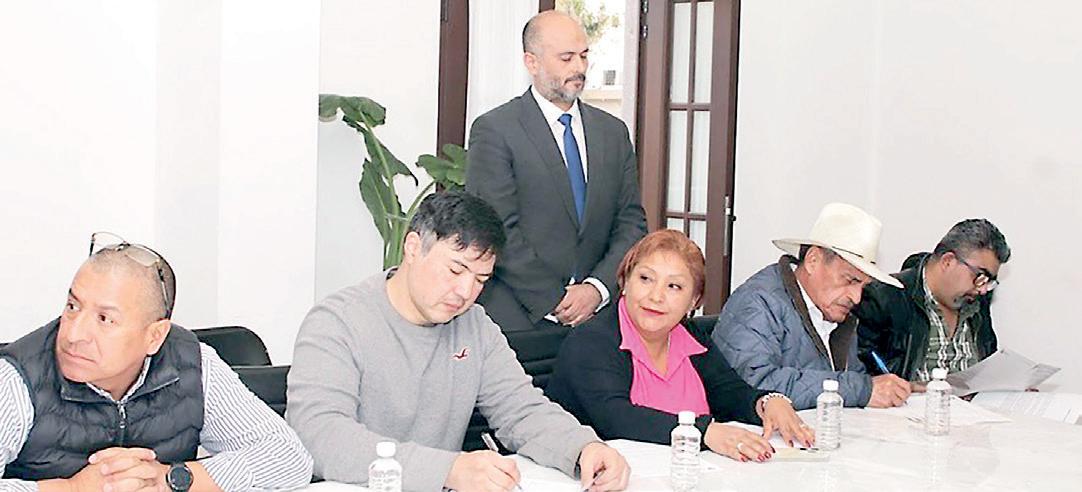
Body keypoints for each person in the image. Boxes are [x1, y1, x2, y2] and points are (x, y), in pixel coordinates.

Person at [287, 192, 630, 492]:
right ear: (412, 248)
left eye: (481, 279)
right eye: (455, 271)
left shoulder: (474, 325)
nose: (466, 292)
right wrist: (448, 470)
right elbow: (320, 435)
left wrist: (583, 448)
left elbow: (522, 409)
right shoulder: (338, 321)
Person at [0, 233, 312, 491]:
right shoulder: (16, 378)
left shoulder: (192, 364)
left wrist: (168, 479)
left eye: (105, 319)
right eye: (73, 306)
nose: (73, 334)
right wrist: (71, 489)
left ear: (155, 336)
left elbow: (289, 458)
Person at [546, 230, 815, 463]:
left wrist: (767, 403)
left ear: (693, 300)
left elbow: (728, 391)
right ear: (625, 282)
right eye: (645, 279)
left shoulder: (689, 335)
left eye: (674, 286)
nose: (656, 296)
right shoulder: (591, 341)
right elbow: (616, 419)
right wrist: (704, 432)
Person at [466, 10, 646, 338]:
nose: (579, 68)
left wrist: (596, 289)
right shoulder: (496, 130)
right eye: (566, 58)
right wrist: (554, 299)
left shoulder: (612, 132)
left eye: (584, 56)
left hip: (598, 322)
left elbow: (631, 223)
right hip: (519, 321)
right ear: (531, 62)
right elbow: (496, 229)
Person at [712, 203, 913, 410]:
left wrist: (881, 389)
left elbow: (849, 379)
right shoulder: (758, 302)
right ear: (813, 260)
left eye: (863, 286)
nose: (856, 297)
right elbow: (754, 384)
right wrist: (861, 389)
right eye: (850, 280)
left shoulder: (837, 312)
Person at [855, 219, 1010, 382]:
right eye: (980, 276)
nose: (983, 289)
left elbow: (988, 365)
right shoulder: (884, 297)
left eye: (989, 281)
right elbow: (861, 374)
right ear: (948, 261)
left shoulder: (976, 301)